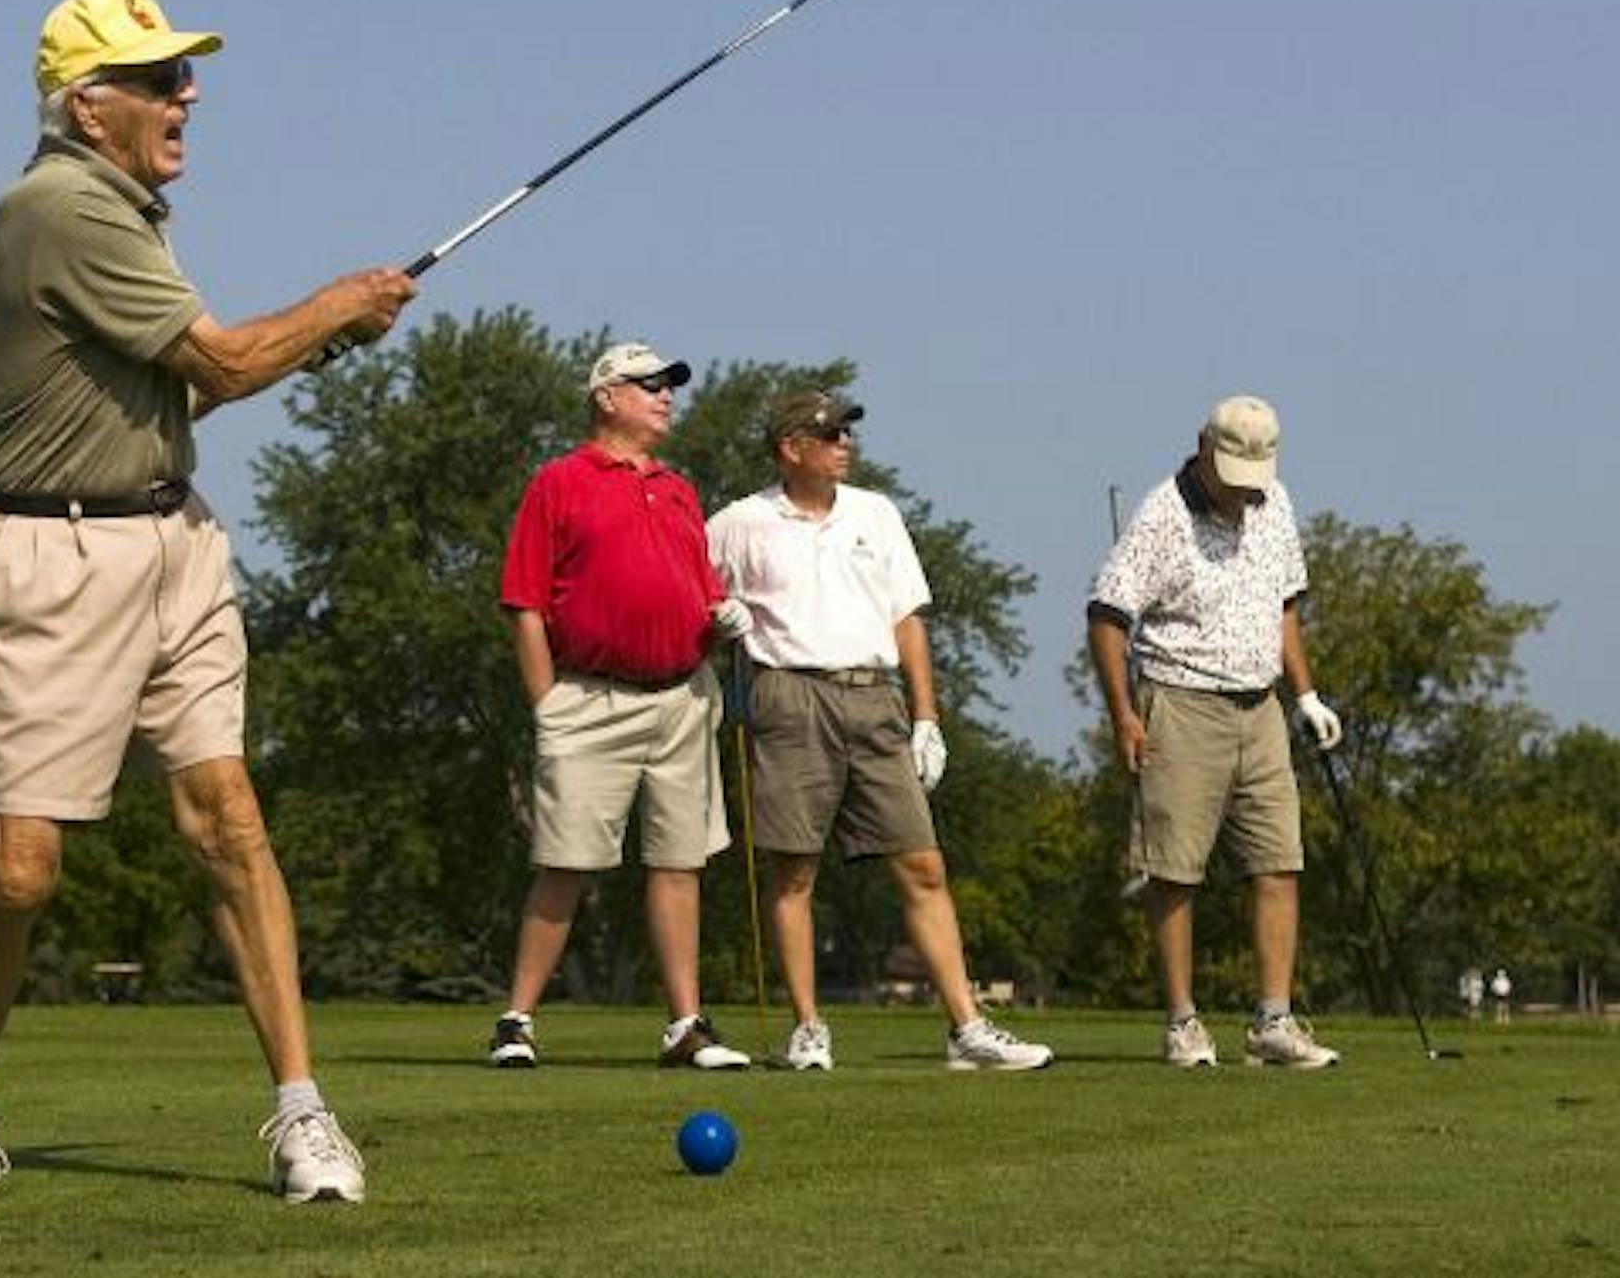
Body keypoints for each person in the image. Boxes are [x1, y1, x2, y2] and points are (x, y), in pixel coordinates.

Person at [0, 0, 416, 1207]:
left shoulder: (129, 209)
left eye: (183, 73)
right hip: (47, 562)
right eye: (157, 79)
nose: (187, 94)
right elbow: (228, 357)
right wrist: (340, 305)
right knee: (23, 871)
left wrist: (328, 334)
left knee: (227, 817)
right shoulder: (63, 209)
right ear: (88, 107)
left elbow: (200, 388)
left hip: (169, 540)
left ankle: (302, 1113)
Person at [707, 390, 1053, 1073]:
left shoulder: (876, 513)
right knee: (794, 870)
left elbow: (907, 618)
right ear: (790, 448)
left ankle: (967, 1029)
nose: (845, 443)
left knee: (922, 863)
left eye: (846, 433)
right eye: (829, 433)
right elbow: (692, 588)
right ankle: (808, 1029)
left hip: (874, 698)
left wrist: (927, 716)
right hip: (789, 695)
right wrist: (717, 612)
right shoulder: (739, 523)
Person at [488, 343, 754, 1072]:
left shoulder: (678, 488)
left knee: (679, 861)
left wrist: (719, 614)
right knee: (565, 860)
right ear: (607, 396)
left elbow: (695, 584)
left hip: (682, 694)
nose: (667, 396)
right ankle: (517, 1021)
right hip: (589, 696)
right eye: (651, 385)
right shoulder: (560, 482)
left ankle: (686, 1025)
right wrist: (547, 703)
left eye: (670, 385)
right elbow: (525, 602)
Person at [1086, 395, 1344, 1069]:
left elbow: (1284, 604)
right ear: (1202, 445)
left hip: (1261, 707)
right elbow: (1107, 616)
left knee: (1279, 862)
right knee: (1173, 872)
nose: (1242, 487)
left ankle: (1273, 1022)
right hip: (1180, 700)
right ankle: (1182, 1022)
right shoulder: (1161, 515)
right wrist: (1123, 715)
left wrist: (1306, 693)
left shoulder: (1274, 500)